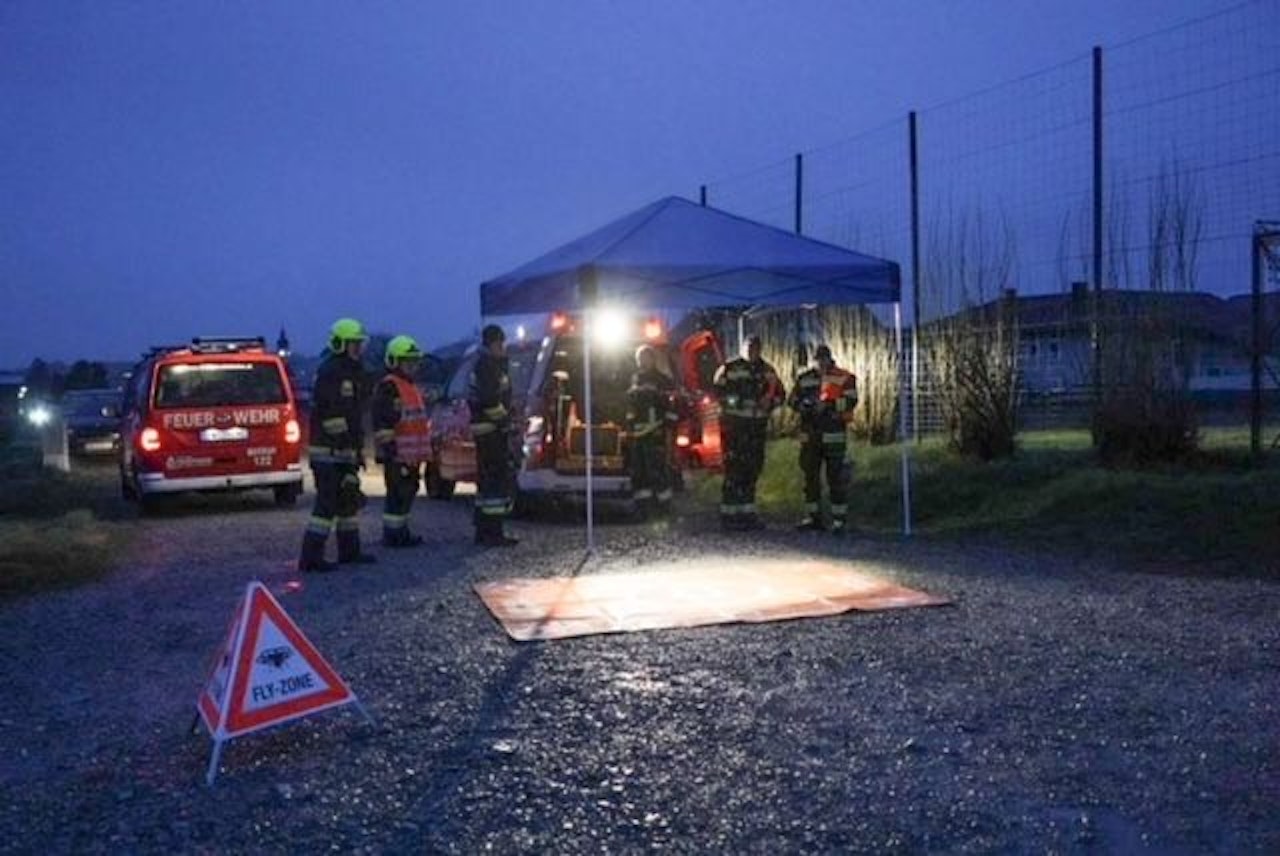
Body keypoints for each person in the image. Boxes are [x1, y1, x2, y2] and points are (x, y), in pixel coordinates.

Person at [298, 317, 376, 572]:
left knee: (348, 502)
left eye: (359, 344)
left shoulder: (354, 371)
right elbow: (332, 415)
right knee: (327, 505)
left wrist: (356, 451)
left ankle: (350, 551)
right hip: (328, 452)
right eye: (354, 344)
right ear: (340, 344)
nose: (358, 349)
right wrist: (348, 446)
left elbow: (356, 412)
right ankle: (311, 557)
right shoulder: (331, 371)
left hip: (345, 450)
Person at [712, 334, 784, 530]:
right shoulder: (730, 368)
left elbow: (780, 395)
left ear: (760, 349)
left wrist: (770, 403)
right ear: (743, 348)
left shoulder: (768, 371)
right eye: (749, 347)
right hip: (734, 428)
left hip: (756, 429)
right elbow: (717, 392)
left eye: (755, 348)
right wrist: (736, 401)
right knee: (733, 470)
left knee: (752, 470)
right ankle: (729, 515)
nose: (752, 351)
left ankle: (747, 513)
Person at [788, 344, 859, 533]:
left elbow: (852, 400)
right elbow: (792, 400)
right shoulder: (805, 379)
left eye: (824, 359)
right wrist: (806, 406)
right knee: (810, 479)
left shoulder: (844, 377)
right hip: (810, 437)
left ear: (830, 358)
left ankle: (839, 520)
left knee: (835, 479)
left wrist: (828, 405)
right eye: (818, 360)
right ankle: (814, 518)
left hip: (833, 436)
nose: (821, 363)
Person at [372, 335, 430, 548]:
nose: (413, 365)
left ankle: (401, 531)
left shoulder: (409, 386)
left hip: (411, 454)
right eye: (408, 361)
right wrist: (391, 450)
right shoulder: (389, 387)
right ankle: (393, 535)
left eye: (415, 361)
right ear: (394, 361)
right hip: (397, 453)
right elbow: (383, 422)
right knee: (397, 494)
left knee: (408, 491)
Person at [469, 324, 519, 547]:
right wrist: (505, 421)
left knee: (486, 484)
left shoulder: (487, 364)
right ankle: (493, 532)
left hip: (487, 430)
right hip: (490, 432)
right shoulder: (487, 366)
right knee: (495, 484)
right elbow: (490, 401)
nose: (503, 347)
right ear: (492, 344)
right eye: (500, 343)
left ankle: (483, 530)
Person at [626, 344, 679, 517]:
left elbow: (672, 404)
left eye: (645, 358)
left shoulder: (662, 380)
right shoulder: (635, 378)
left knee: (657, 470)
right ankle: (643, 507)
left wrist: (668, 426)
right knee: (639, 472)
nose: (642, 361)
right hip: (638, 433)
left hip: (655, 431)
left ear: (652, 359)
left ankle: (663, 507)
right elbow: (632, 407)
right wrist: (629, 427)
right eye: (639, 358)